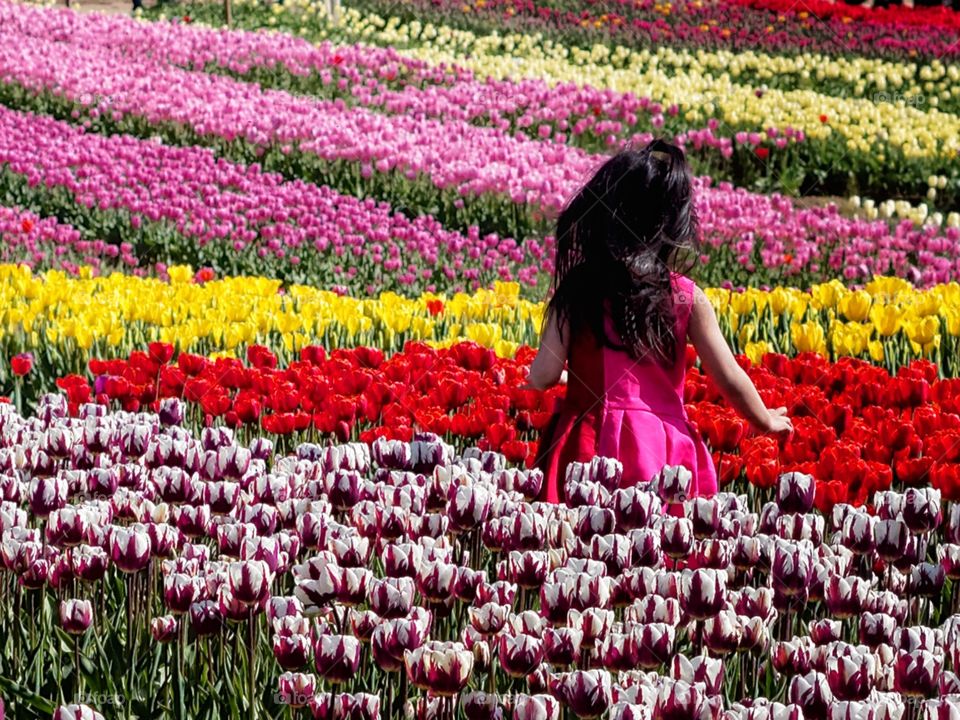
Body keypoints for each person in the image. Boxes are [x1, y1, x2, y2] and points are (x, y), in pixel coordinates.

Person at [526, 140, 793, 504]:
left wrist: (570, 376)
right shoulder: (685, 296)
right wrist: (765, 420)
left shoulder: (578, 288)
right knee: (658, 547)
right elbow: (729, 377)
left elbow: (542, 375)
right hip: (661, 447)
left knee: (585, 548)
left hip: (590, 443)